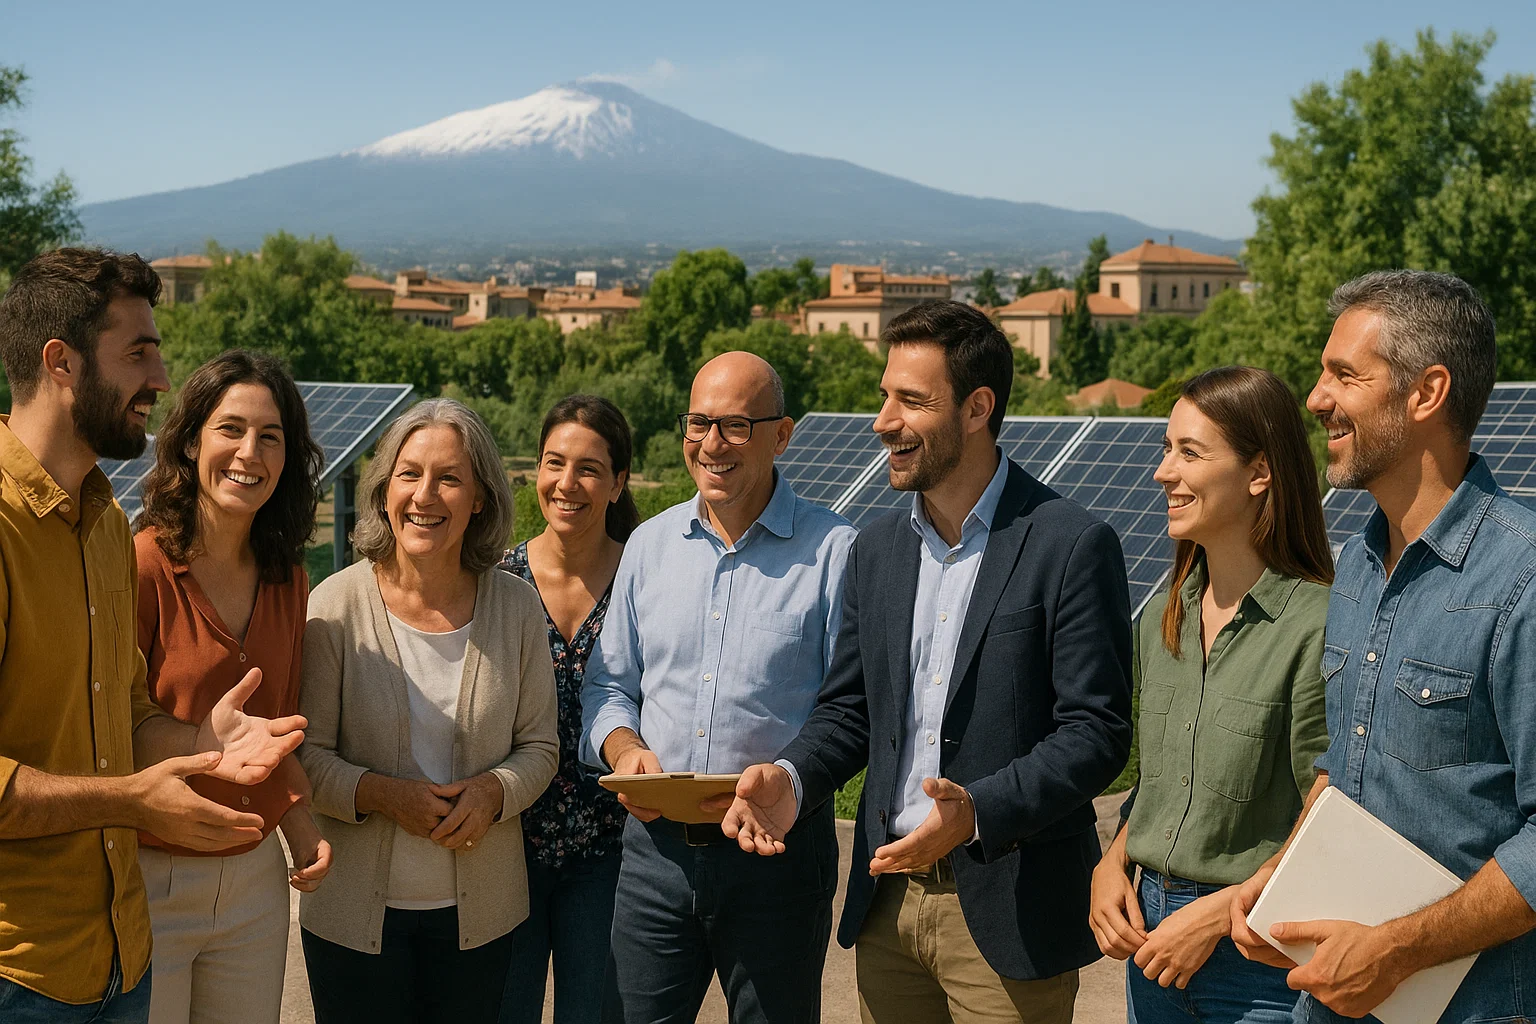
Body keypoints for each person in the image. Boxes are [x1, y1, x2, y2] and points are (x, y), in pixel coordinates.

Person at [720, 300, 1134, 1024]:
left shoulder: (1069, 543)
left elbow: (1096, 733)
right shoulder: (877, 549)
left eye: (911, 401)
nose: (883, 421)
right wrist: (792, 776)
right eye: (885, 396)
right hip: (887, 907)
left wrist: (977, 812)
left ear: (978, 408)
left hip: (1009, 912)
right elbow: (850, 711)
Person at [0, 248, 306, 1022]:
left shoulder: (104, 523)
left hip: (120, 956)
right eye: (138, 353)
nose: (163, 379)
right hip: (19, 974)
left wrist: (200, 740)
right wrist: (132, 801)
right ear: (61, 362)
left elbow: (126, 713)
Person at [1228, 271, 1536, 1023]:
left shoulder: (1523, 577)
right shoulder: (1360, 566)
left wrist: (1397, 951)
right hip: (1333, 1001)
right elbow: (1347, 765)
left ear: (1427, 393)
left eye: (1344, 375)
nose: (1315, 398)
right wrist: (1282, 875)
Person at [581, 351, 857, 1023]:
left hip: (777, 858)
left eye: (735, 425)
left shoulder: (836, 551)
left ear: (781, 435)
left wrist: (788, 778)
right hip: (654, 858)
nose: (711, 444)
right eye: (699, 422)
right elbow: (608, 684)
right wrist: (623, 750)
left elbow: (852, 707)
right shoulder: (648, 547)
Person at [297, 397, 558, 1024]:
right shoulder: (334, 606)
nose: (425, 495)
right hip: (353, 920)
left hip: (482, 918)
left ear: (480, 499)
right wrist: (386, 796)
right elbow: (306, 757)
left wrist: (494, 793)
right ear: (384, 490)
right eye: (409, 474)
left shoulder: (518, 608)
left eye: (449, 479)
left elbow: (541, 748)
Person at [1088, 367, 1333, 1023]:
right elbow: (1162, 786)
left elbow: (1331, 811)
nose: (1163, 472)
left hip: (1257, 964)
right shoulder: (1160, 621)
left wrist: (1220, 913)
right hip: (1152, 943)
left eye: (1190, 453)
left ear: (1259, 473)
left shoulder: (1317, 625)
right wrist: (1113, 862)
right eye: (1167, 449)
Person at [133, 350, 333, 1024]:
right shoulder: (142, 566)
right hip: (152, 873)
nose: (250, 452)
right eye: (231, 429)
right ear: (191, 442)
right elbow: (110, 723)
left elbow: (276, 730)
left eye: (270, 436)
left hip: (253, 880)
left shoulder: (288, 578)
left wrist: (301, 829)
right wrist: (199, 742)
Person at [497, 395, 635, 1024]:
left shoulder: (643, 579)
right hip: (505, 845)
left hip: (612, 850)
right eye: (555, 463)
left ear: (618, 483)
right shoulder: (498, 581)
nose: (567, 483)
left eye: (589, 469)